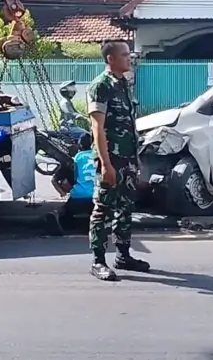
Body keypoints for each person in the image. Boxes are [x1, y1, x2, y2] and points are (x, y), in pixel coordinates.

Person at [86, 39, 150, 281]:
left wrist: (136, 159)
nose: (129, 58)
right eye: (124, 55)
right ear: (110, 59)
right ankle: (98, 261)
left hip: (127, 160)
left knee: (125, 209)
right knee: (103, 209)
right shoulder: (100, 86)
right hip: (110, 159)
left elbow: (130, 125)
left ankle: (123, 255)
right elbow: (97, 129)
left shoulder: (124, 84)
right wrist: (105, 164)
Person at [45, 133, 96, 235]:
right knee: (103, 209)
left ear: (80, 145)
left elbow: (75, 176)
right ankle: (93, 223)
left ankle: (56, 214)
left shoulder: (78, 157)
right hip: (96, 197)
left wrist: (63, 192)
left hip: (78, 197)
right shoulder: (98, 155)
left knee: (66, 210)